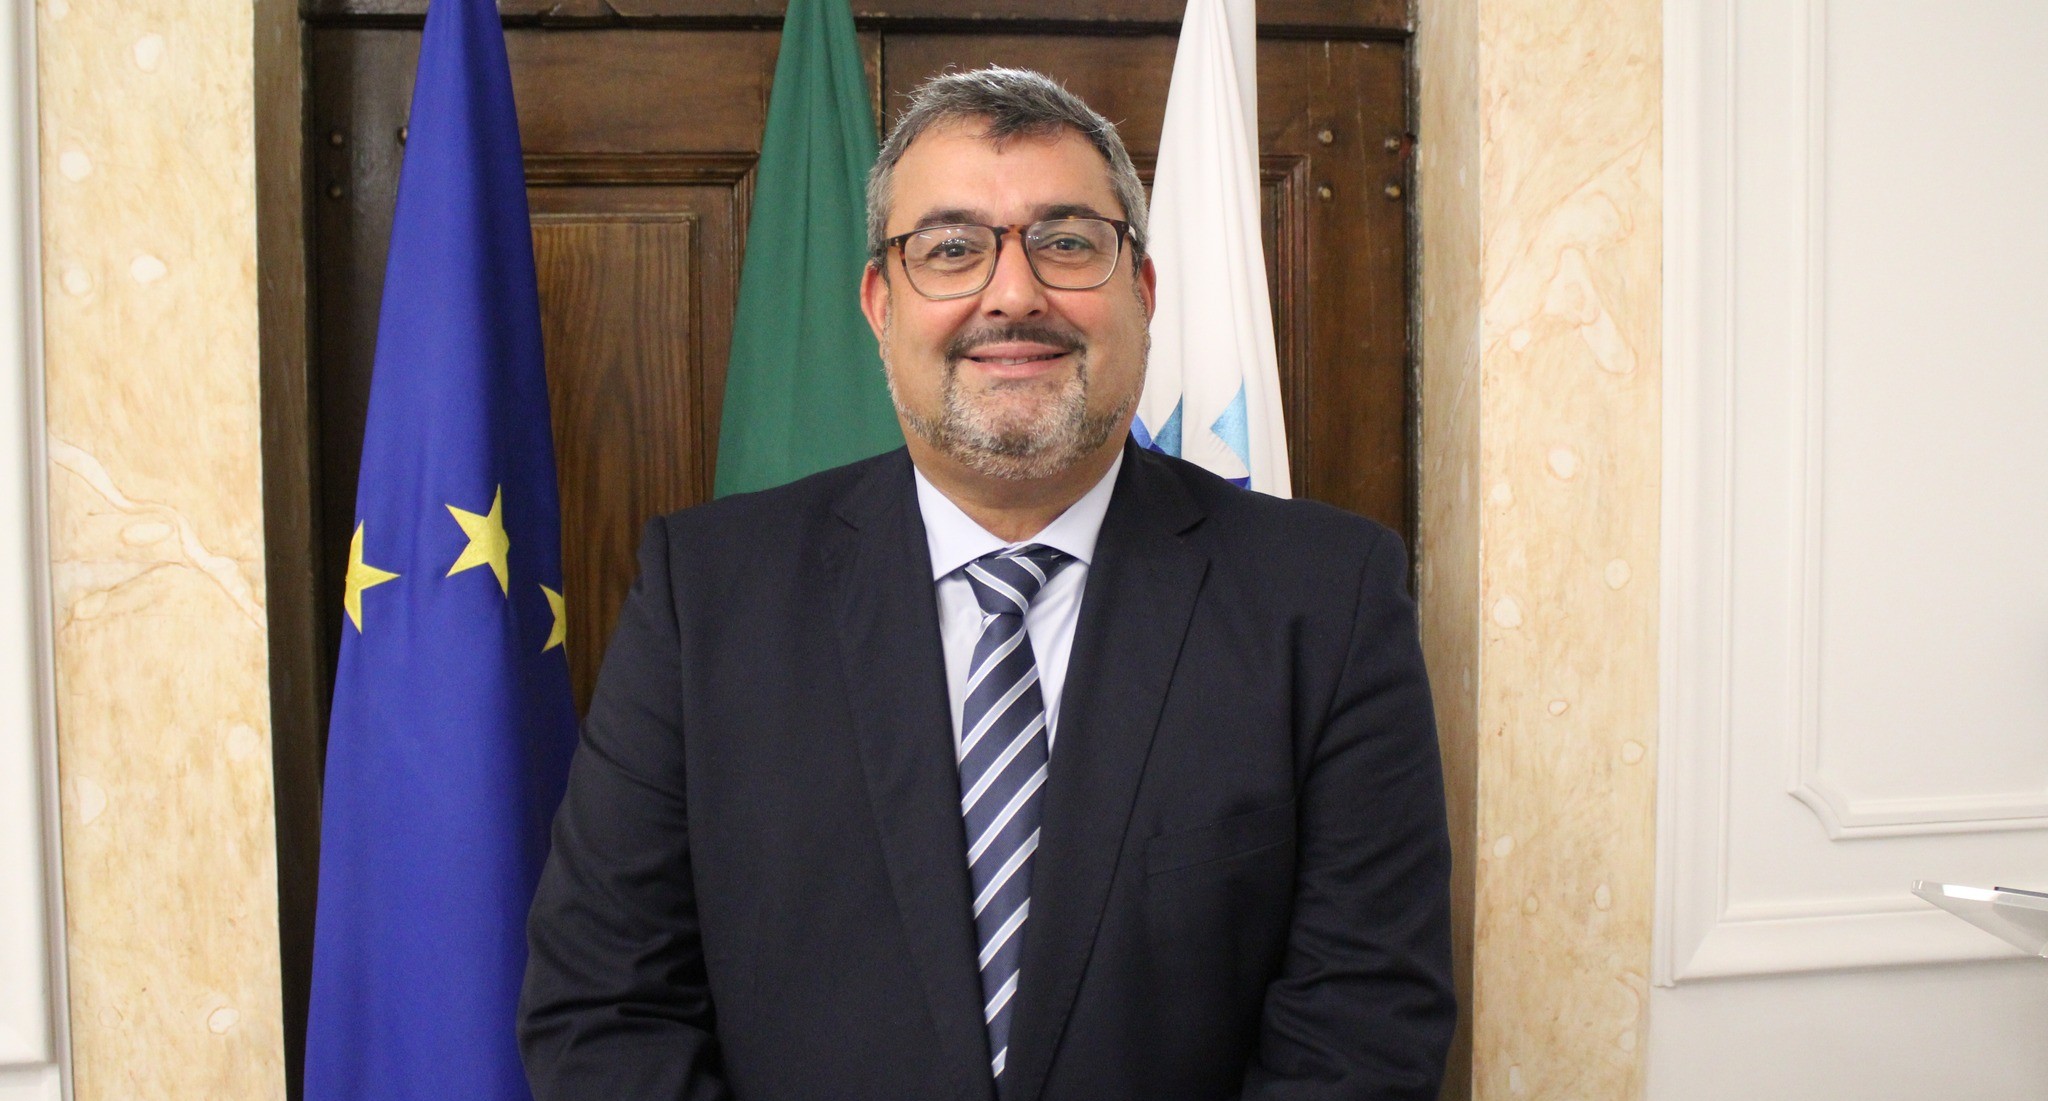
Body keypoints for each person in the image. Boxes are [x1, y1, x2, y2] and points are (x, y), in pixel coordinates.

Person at [518, 67, 1455, 1101]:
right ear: (880, 305)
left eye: (1068, 242)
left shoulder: (1326, 599)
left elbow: (1363, 1027)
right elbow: (605, 1010)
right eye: (951, 249)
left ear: (1142, 294)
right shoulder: (704, 597)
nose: (1013, 294)